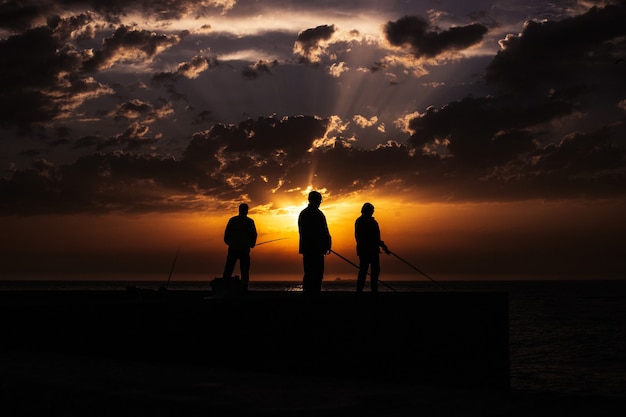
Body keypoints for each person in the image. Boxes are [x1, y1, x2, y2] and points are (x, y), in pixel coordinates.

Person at [298, 191, 332, 293]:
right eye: (319, 200)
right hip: (317, 250)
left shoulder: (303, 214)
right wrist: (327, 244)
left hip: (307, 249)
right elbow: (325, 231)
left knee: (309, 273)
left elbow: (302, 232)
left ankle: (307, 294)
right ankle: (315, 294)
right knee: (317, 274)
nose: (320, 202)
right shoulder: (318, 214)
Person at [355, 202, 390, 293]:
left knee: (364, 272)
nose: (373, 212)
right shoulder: (371, 222)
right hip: (371, 251)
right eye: (371, 210)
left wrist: (382, 245)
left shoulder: (359, 221)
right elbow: (375, 238)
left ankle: (360, 292)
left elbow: (360, 237)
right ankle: (373, 291)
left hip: (364, 251)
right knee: (372, 272)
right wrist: (383, 246)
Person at [222, 203, 257, 291]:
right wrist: (252, 244)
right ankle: (244, 288)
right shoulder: (249, 221)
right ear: (247, 211)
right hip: (244, 249)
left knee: (228, 269)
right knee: (244, 270)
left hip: (233, 248)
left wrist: (229, 243)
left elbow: (226, 234)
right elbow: (254, 234)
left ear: (239, 210)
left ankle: (225, 287)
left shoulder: (232, 220)